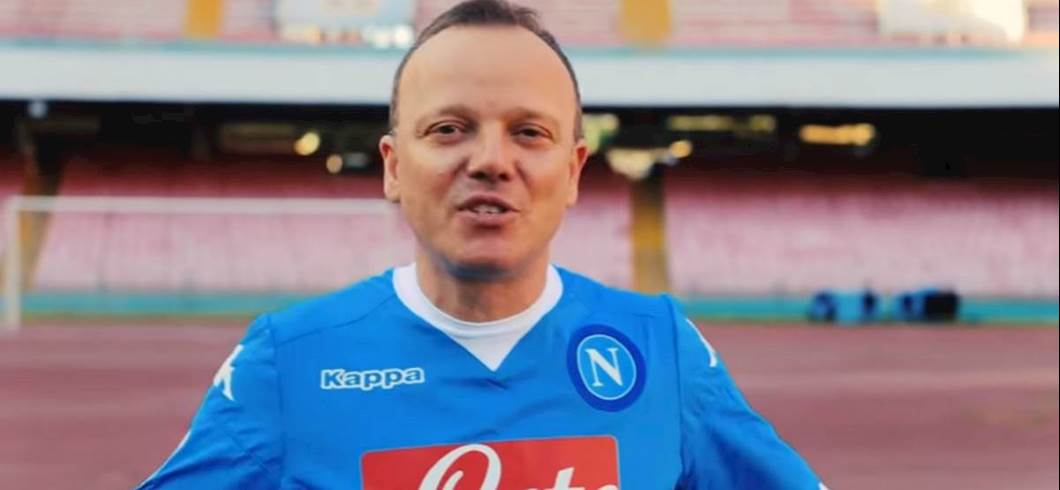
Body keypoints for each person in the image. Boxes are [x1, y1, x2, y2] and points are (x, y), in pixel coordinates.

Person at [138, 1, 824, 488]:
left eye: (529, 132)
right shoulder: (288, 363)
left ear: (573, 171)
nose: (491, 161)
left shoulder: (660, 349)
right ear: (393, 167)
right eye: (449, 129)